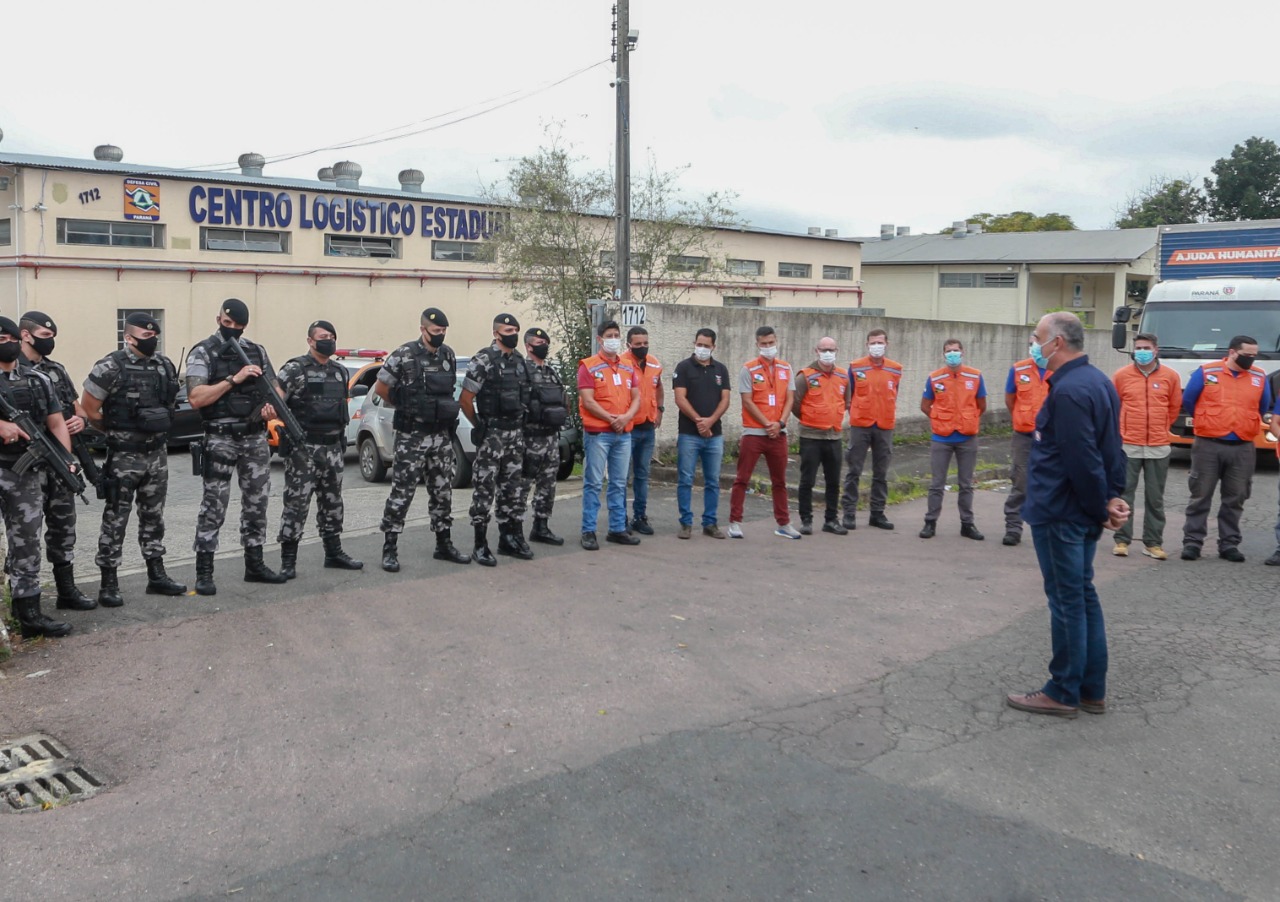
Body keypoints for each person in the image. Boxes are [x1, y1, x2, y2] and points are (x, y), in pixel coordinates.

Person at [1006, 312, 1128, 718]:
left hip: (1062, 513)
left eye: (1037, 338)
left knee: (1067, 601)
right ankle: (1091, 688)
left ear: (1057, 343)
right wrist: (1111, 498)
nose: (1033, 344)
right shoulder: (1097, 382)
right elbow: (1111, 449)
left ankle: (1063, 690)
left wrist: (1103, 507)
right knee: (1082, 595)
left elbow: (1084, 459)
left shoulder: (1070, 392)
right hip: (1080, 511)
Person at [81, 312, 186, 606]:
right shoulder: (110, 366)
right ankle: (108, 583)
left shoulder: (164, 365)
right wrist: (115, 429)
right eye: (145, 336)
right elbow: (89, 409)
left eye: (155, 335)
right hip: (123, 457)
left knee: (154, 518)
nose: (151, 340)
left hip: (157, 455)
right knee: (116, 520)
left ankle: (156, 576)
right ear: (129, 337)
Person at [187, 298, 288, 594]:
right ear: (217, 318)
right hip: (220, 436)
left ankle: (254, 565)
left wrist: (271, 406)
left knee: (257, 502)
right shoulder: (204, 351)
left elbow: (276, 389)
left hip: (254, 436)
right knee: (214, 505)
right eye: (227, 323)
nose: (232, 329)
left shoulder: (256, 351)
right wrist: (234, 379)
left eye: (238, 326)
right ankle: (204, 572)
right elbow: (196, 397)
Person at [375, 307, 470, 572]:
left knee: (442, 492)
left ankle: (443, 544)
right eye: (435, 331)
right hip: (412, 437)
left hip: (440, 436)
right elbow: (382, 388)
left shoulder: (448, 355)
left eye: (443, 331)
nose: (439, 335)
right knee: (401, 493)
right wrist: (404, 405)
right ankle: (390, 548)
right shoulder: (404, 354)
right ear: (422, 329)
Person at [0, 316, 75, 638]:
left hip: (23, 473)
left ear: (20, 338)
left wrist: (65, 459)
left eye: (8, 337)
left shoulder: (37, 379)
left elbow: (56, 422)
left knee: (26, 543)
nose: (6, 343)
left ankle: (28, 614)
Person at [275, 320, 362, 579]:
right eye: (323, 336)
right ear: (310, 341)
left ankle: (333, 553)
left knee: (332, 503)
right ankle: (288, 560)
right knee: (296, 505)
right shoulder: (294, 370)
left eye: (332, 336)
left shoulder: (340, 371)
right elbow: (276, 401)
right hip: (304, 450)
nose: (329, 340)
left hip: (333, 448)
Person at [19, 312, 95, 610]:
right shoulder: (12, 370)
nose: (49, 341)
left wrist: (79, 422)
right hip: (27, 464)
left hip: (60, 460)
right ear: (26, 335)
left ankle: (66, 591)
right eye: (44, 335)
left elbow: (79, 411)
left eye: (52, 336)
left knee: (63, 527)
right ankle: (24, 600)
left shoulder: (56, 370)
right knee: (25, 533)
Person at [1179, 335, 1273, 563]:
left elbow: (1263, 406)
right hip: (1208, 445)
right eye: (1247, 354)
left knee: (1236, 497)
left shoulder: (1259, 376)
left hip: (1242, 446)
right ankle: (1193, 542)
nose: (1251, 359)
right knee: (1200, 495)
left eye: (1254, 355)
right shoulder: (1207, 372)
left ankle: (1229, 544)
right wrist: (1210, 421)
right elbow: (1189, 401)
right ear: (1232, 352)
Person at [461, 313, 533, 566]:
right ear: (496, 333)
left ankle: (508, 539)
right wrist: (480, 426)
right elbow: (465, 399)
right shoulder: (484, 359)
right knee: (484, 490)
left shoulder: (519, 361)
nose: (512, 333)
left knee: (512, 489)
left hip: (515, 433)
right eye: (507, 329)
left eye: (515, 329)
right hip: (492, 435)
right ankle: (479, 545)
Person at [1111, 333, 1182, 561]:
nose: (1141, 351)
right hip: (1128, 445)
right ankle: (1122, 540)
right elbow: (1114, 407)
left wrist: (1160, 428)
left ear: (1156, 350)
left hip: (1158, 446)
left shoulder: (1170, 376)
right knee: (1124, 495)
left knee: (1155, 498)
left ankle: (1153, 543)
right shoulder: (1122, 376)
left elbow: (1173, 407)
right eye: (1138, 347)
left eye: (1146, 347)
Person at [729, 326, 799, 539]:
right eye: (763, 344)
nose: (768, 347)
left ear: (776, 341)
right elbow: (747, 401)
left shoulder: (786, 368)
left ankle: (784, 523)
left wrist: (779, 423)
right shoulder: (748, 369)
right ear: (757, 344)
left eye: (771, 343)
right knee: (742, 478)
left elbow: (790, 398)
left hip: (778, 433)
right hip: (754, 433)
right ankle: (734, 522)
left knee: (779, 481)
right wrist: (767, 424)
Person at [578, 320, 641, 550]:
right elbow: (587, 400)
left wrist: (625, 418)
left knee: (619, 483)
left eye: (616, 334)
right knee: (594, 483)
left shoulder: (627, 366)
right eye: (609, 335)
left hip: (623, 433)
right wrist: (611, 418)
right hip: (598, 434)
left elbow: (636, 397)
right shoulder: (588, 366)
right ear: (599, 339)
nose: (613, 339)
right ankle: (588, 530)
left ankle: (617, 529)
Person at [919, 339, 986, 540]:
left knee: (966, 483)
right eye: (949, 351)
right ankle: (930, 522)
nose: (952, 354)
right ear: (943, 354)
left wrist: (969, 419)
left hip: (967, 436)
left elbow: (981, 405)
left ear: (962, 352)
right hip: (942, 437)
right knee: (937, 483)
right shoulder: (935, 378)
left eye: (956, 350)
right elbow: (925, 405)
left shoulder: (975, 376)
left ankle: (967, 524)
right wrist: (941, 420)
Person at [672, 328, 731, 540]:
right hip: (689, 434)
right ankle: (686, 523)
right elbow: (680, 398)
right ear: (694, 343)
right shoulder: (684, 368)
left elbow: (725, 399)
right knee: (685, 479)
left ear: (713, 347)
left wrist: (710, 422)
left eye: (707, 345)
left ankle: (710, 522)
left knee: (713, 481)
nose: (702, 349)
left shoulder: (721, 370)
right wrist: (699, 421)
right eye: (699, 344)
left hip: (714, 436)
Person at [843, 329, 901, 531]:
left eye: (880, 342)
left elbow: (894, 393)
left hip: (884, 425)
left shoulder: (895, 369)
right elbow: (848, 396)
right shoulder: (856, 367)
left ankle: (877, 513)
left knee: (881, 472)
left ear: (887, 344)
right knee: (854, 470)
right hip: (861, 424)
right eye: (873, 343)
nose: (877, 346)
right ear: (867, 345)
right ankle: (849, 512)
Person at [793, 336, 849, 535]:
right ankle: (806, 520)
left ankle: (831, 520)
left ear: (837, 351)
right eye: (824, 349)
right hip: (811, 437)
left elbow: (846, 402)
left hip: (834, 437)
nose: (827, 353)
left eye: (831, 349)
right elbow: (795, 404)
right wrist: (811, 418)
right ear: (816, 351)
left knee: (833, 481)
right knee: (807, 480)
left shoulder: (843, 376)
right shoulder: (805, 376)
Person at [518, 327, 568, 547]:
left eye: (545, 341)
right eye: (538, 342)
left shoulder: (551, 372)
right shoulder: (522, 371)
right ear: (528, 346)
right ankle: (514, 529)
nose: (543, 345)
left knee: (548, 484)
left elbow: (564, 400)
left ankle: (541, 526)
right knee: (522, 484)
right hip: (529, 438)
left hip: (551, 437)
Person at [1001, 347, 1048, 546]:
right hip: (1024, 435)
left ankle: (1048, 528)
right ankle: (1013, 528)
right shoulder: (1018, 369)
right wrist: (1022, 419)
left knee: (1050, 483)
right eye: (1033, 343)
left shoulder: (1060, 369)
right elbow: (1010, 400)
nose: (1036, 348)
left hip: (1051, 436)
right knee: (1020, 481)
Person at [621, 326, 663, 535]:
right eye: (638, 344)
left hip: (648, 428)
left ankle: (640, 516)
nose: (642, 347)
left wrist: (661, 411)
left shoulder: (654, 363)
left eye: (645, 343)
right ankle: (621, 519)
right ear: (629, 344)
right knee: (622, 476)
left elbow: (659, 387)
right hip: (628, 429)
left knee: (642, 475)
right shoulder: (621, 363)